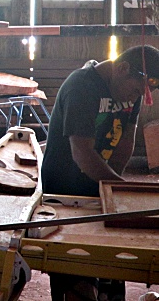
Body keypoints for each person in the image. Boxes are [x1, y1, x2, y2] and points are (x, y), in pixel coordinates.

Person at [41, 45, 159, 301]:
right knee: (76, 276)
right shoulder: (81, 87)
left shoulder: (133, 90)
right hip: (66, 191)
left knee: (111, 270)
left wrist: (114, 192)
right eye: (136, 89)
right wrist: (121, 191)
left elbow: (126, 140)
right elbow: (81, 153)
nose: (136, 96)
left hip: (100, 185)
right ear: (123, 68)